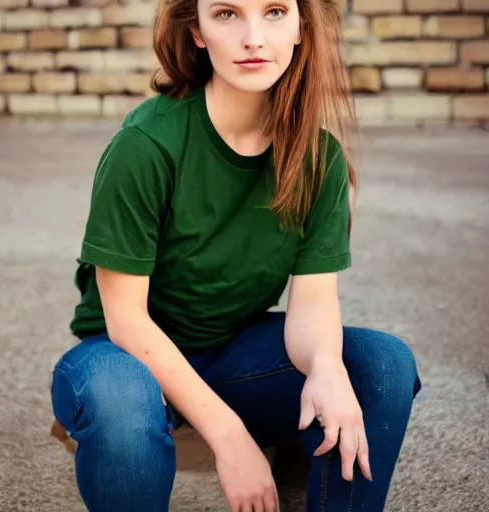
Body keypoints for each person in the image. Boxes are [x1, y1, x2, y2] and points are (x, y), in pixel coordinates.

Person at [49, 0, 423, 510]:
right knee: (121, 401)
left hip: (233, 354)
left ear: (300, 27)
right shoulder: (147, 143)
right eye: (226, 14)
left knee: (382, 364)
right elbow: (126, 322)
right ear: (197, 31)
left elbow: (313, 300)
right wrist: (229, 437)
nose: (253, 38)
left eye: (274, 12)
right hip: (124, 360)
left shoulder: (318, 159)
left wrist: (327, 367)